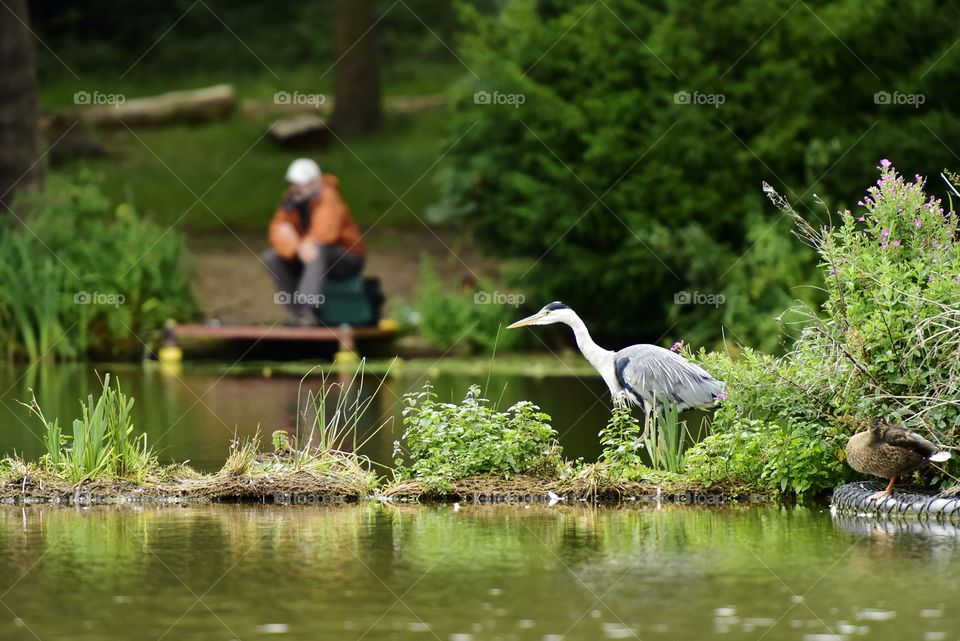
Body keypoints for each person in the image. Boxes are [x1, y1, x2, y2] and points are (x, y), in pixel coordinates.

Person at [261, 158, 365, 326]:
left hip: (347, 258)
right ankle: (300, 315)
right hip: (310, 256)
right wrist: (296, 247)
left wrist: (301, 245)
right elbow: (278, 229)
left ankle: (308, 308)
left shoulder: (329, 197)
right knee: (271, 258)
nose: (295, 188)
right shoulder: (291, 201)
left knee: (316, 249)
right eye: (293, 184)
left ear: (315, 182)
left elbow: (325, 233)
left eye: (300, 184)